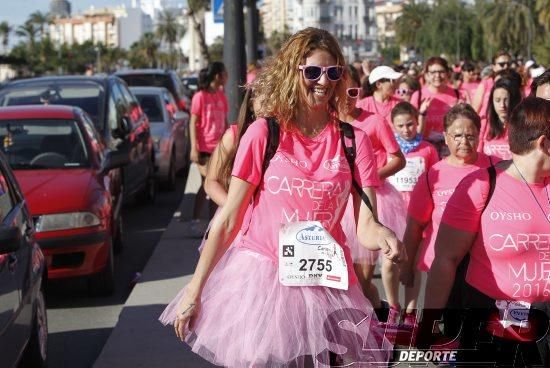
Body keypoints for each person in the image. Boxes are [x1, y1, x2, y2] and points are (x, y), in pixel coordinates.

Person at [160, 28, 405, 367]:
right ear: (293, 72)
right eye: (313, 72)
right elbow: (230, 218)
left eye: (332, 72)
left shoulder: (354, 141)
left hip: (326, 281)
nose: (324, 81)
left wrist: (384, 236)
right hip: (264, 278)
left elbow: (366, 225)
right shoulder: (264, 133)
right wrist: (194, 289)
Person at [422, 97, 550, 366]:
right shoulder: (483, 185)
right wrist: (430, 325)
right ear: (543, 144)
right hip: (494, 326)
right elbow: (446, 259)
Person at [400, 103, 497, 324]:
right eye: (458, 136)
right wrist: (407, 268)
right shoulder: (433, 175)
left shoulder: (496, 168)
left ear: (479, 134)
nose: (464, 142)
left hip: (486, 268)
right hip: (444, 269)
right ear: (445, 136)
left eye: (470, 136)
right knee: (449, 328)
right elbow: (414, 227)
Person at [341, 65, 407, 325]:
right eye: (342, 91)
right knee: (348, 278)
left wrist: (371, 176)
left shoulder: (374, 121)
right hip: (337, 203)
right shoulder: (326, 121)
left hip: (372, 200)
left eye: (353, 91)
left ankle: (376, 323)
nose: (347, 97)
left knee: (362, 277)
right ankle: (377, 313)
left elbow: (398, 160)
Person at [188, 62, 228, 236]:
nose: (227, 76)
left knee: (215, 184)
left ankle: (213, 223)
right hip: (204, 148)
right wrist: (193, 148)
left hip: (219, 148)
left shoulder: (221, 95)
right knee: (208, 184)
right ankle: (194, 221)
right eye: (225, 73)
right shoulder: (200, 96)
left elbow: (225, 121)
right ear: (218, 75)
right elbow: (193, 122)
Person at [411, 57, 464, 157]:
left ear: (448, 73)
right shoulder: (418, 96)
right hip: (425, 147)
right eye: (433, 72)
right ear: (426, 75)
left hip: (450, 147)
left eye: (441, 71)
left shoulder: (458, 95)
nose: (437, 76)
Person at [478, 78, 522, 160]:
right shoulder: (484, 123)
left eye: (506, 100)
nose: (502, 105)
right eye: (497, 100)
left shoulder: (522, 125)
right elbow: (477, 153)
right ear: (492, 102)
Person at [472, 50, 512, 117]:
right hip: (486, 125)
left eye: (508, 64)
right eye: (502, 64)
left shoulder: (514, 84)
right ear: (493, 66)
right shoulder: (485, 84)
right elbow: (475, 111)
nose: (505, 67)